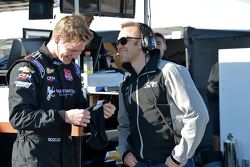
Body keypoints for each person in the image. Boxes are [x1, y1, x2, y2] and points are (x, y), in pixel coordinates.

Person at [7, 14, 116, 167]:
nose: (75, 56)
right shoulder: (28, 68)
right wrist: (63, 116)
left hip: (66, 154)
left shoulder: (73, 69)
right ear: (57, 38)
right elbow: (18, 117)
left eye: (80, 51)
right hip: (34, 157)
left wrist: (98, 111)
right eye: (72, 50)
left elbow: (79, 109)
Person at [117, 21, 209, 167]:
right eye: (118, 42)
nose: (119, 46)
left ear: (144, 43)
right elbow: (123, 124)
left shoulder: (170, 71)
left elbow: (198, 115)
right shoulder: (126, 84)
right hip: (139, 163)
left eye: (124, 41)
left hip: (171, 163)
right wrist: (124, 152)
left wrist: (179, 157)